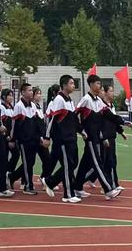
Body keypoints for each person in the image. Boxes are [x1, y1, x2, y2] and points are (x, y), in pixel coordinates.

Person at [74, 75, 128, 200]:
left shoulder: (98, 100)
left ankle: (76, 186)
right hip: (91, 137)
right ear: (91, 84)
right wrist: (81, 130)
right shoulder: (86, 99)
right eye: (98, 83)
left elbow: (108, 115)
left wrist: (123, 122)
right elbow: (74, 116)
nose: (100, 86)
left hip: (97, 136)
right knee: (98, 163)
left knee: (84, 164)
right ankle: (108, 189)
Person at [42, 75, 81, 204]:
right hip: (62, 139)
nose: (73, 86)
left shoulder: (69, 100)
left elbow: (74, 120)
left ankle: (50, 181)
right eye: (71, 83)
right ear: (64, 85)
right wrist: (47, 137)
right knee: (68, 165)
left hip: (71, 138)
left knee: (73, 163)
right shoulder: (59, 100)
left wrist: (82, 131)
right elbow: (51, 119)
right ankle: (68, 194)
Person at [8, 83, 42, 195]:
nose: (31, 92)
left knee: (30, 163)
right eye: (29, 90)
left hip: (33, 139)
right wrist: (12, 140)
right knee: (27, 162)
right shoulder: (18, 106)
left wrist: (40, 137)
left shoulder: (33, 105)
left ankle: (12, 177)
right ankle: (28, 186)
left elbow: (37, 123)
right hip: (23, 140)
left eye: (32, 90)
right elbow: (14, 124)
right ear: (23, 92)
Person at [32, 87, 52, 184]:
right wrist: (41, 138)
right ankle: (14, 176)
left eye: (40, 93)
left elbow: (41, 124)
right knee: (30, 162)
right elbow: (35, 125)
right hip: (35, 139)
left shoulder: (39, 107)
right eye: (37, 94)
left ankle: (44, 178)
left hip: (41, 138)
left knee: (47, 160)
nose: (39, 96)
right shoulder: (32, 107)